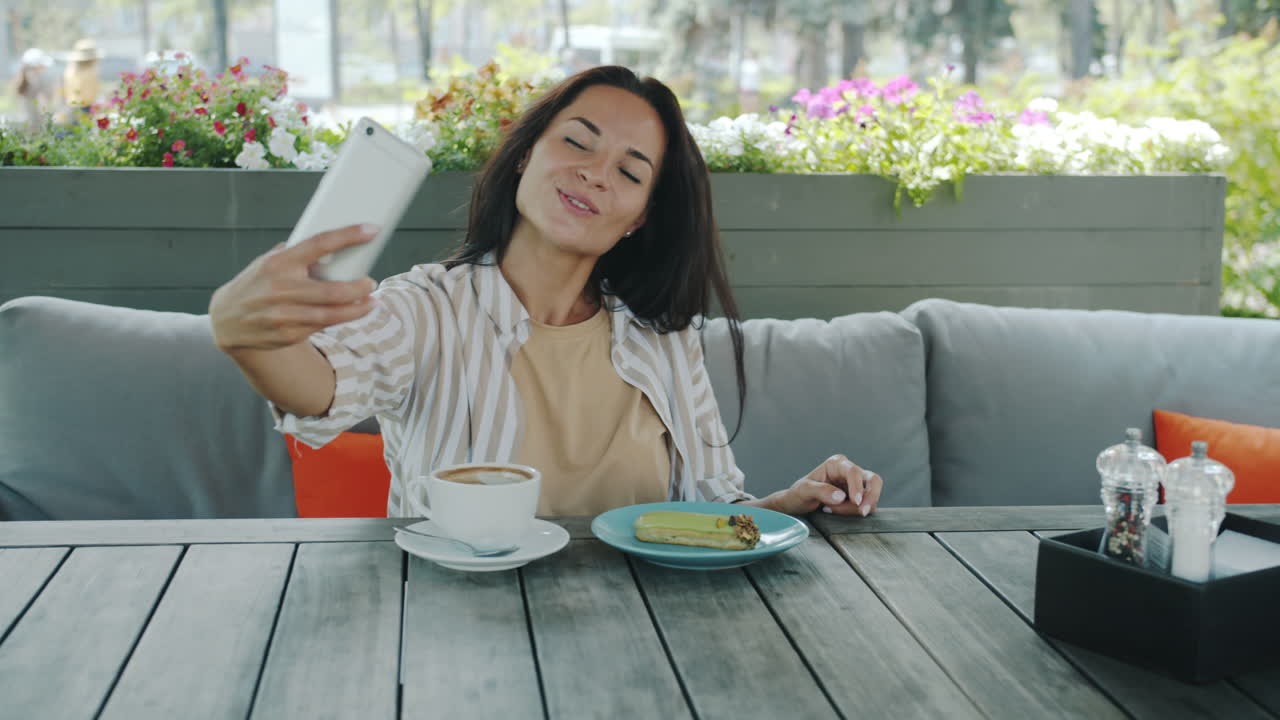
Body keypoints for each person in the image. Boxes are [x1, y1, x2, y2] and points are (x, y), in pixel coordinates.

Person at [209, 65, 884, 519]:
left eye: (628, 170)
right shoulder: (426, 307)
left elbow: (711, 521)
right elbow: (319, 387)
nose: (594, 174)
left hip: (651, 643)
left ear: (642, 215)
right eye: (578, 142)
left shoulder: (664, 341)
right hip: (466, 640)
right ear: (528, 153)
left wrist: (791, 504)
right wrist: (243, 334)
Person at [10, 48, 56, 130]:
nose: (44, 68)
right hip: (34, 123)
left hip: (25, 123)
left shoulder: (24, 78)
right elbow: (43, 102)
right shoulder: (35, 79)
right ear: (36, 65)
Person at [62, 38, 103, 115]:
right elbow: (93, 93)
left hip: (71, 106)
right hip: (86, 107)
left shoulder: (69, 71)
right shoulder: (90, 72)